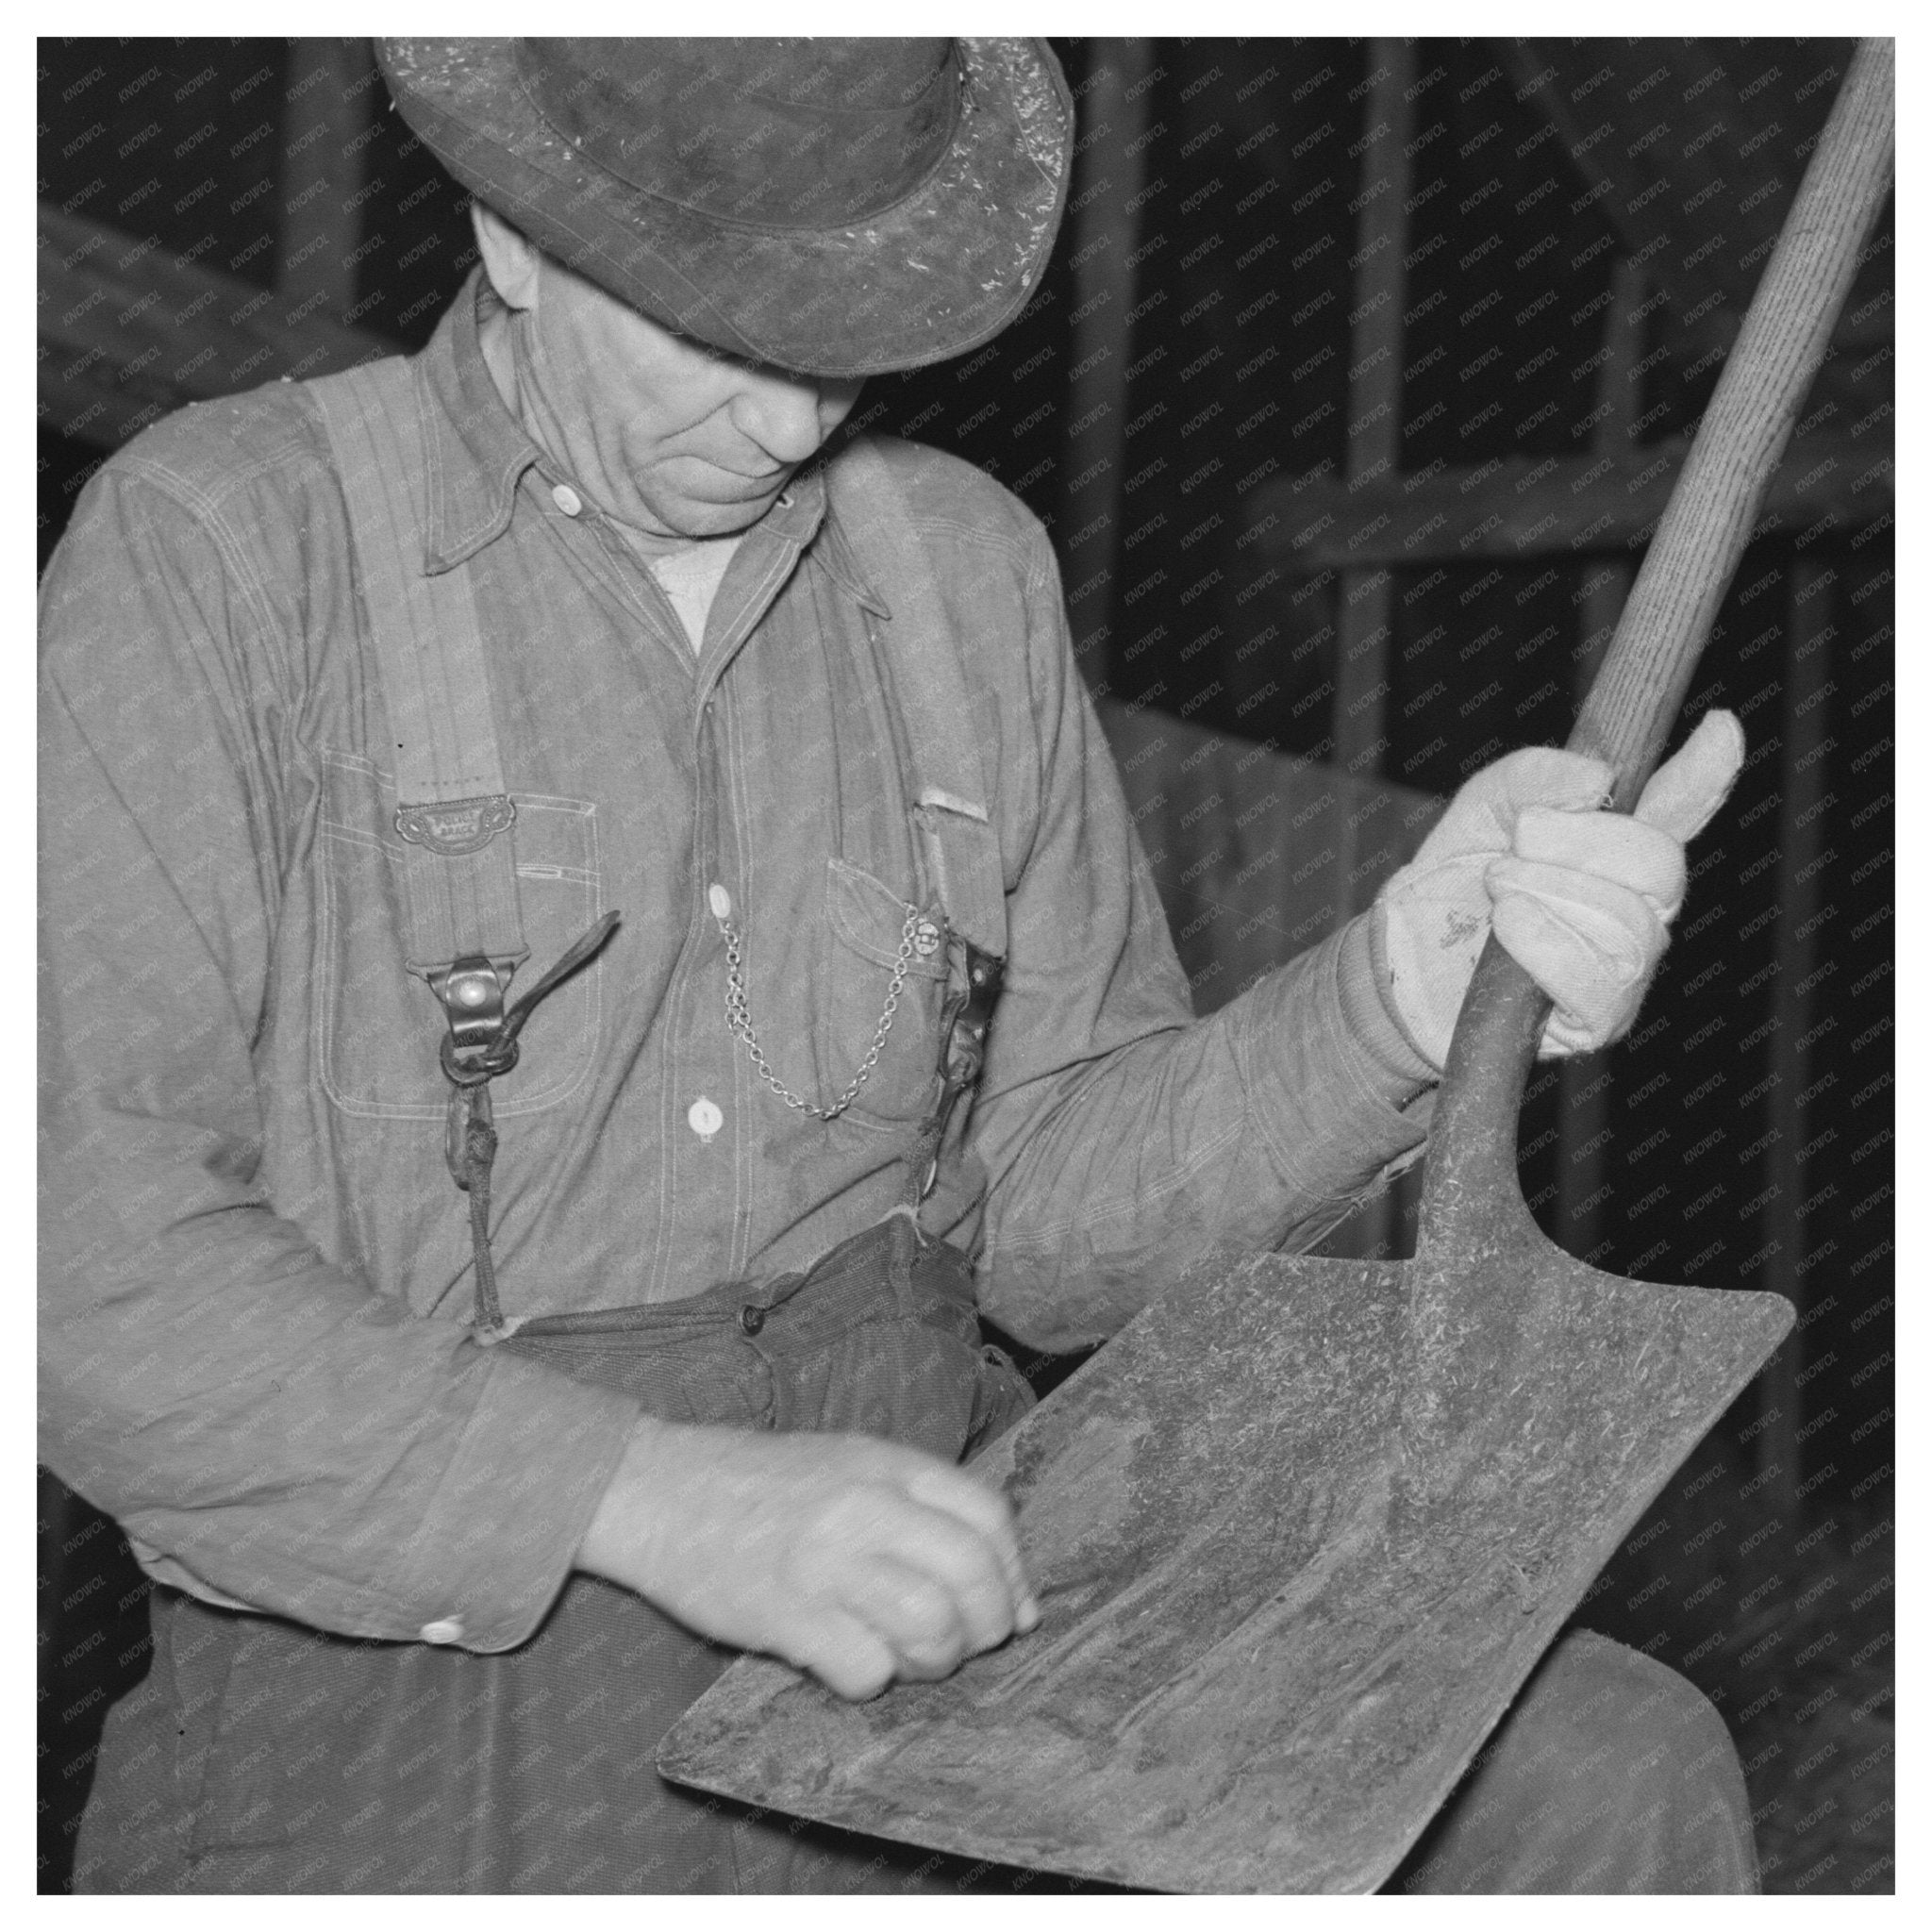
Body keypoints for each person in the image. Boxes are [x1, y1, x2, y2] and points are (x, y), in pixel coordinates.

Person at [42, 39, 1756, 1894]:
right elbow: (76, 1257)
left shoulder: (961, 572)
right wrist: (644, 1494)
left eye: (841, 337)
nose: (790, 424)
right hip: (420, 1639)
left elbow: (1046, 1216)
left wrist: (1396, 1003)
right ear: (508, 231)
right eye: (722, 330)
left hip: (919, 1579)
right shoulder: (227, 548)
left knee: (1599, 1780)